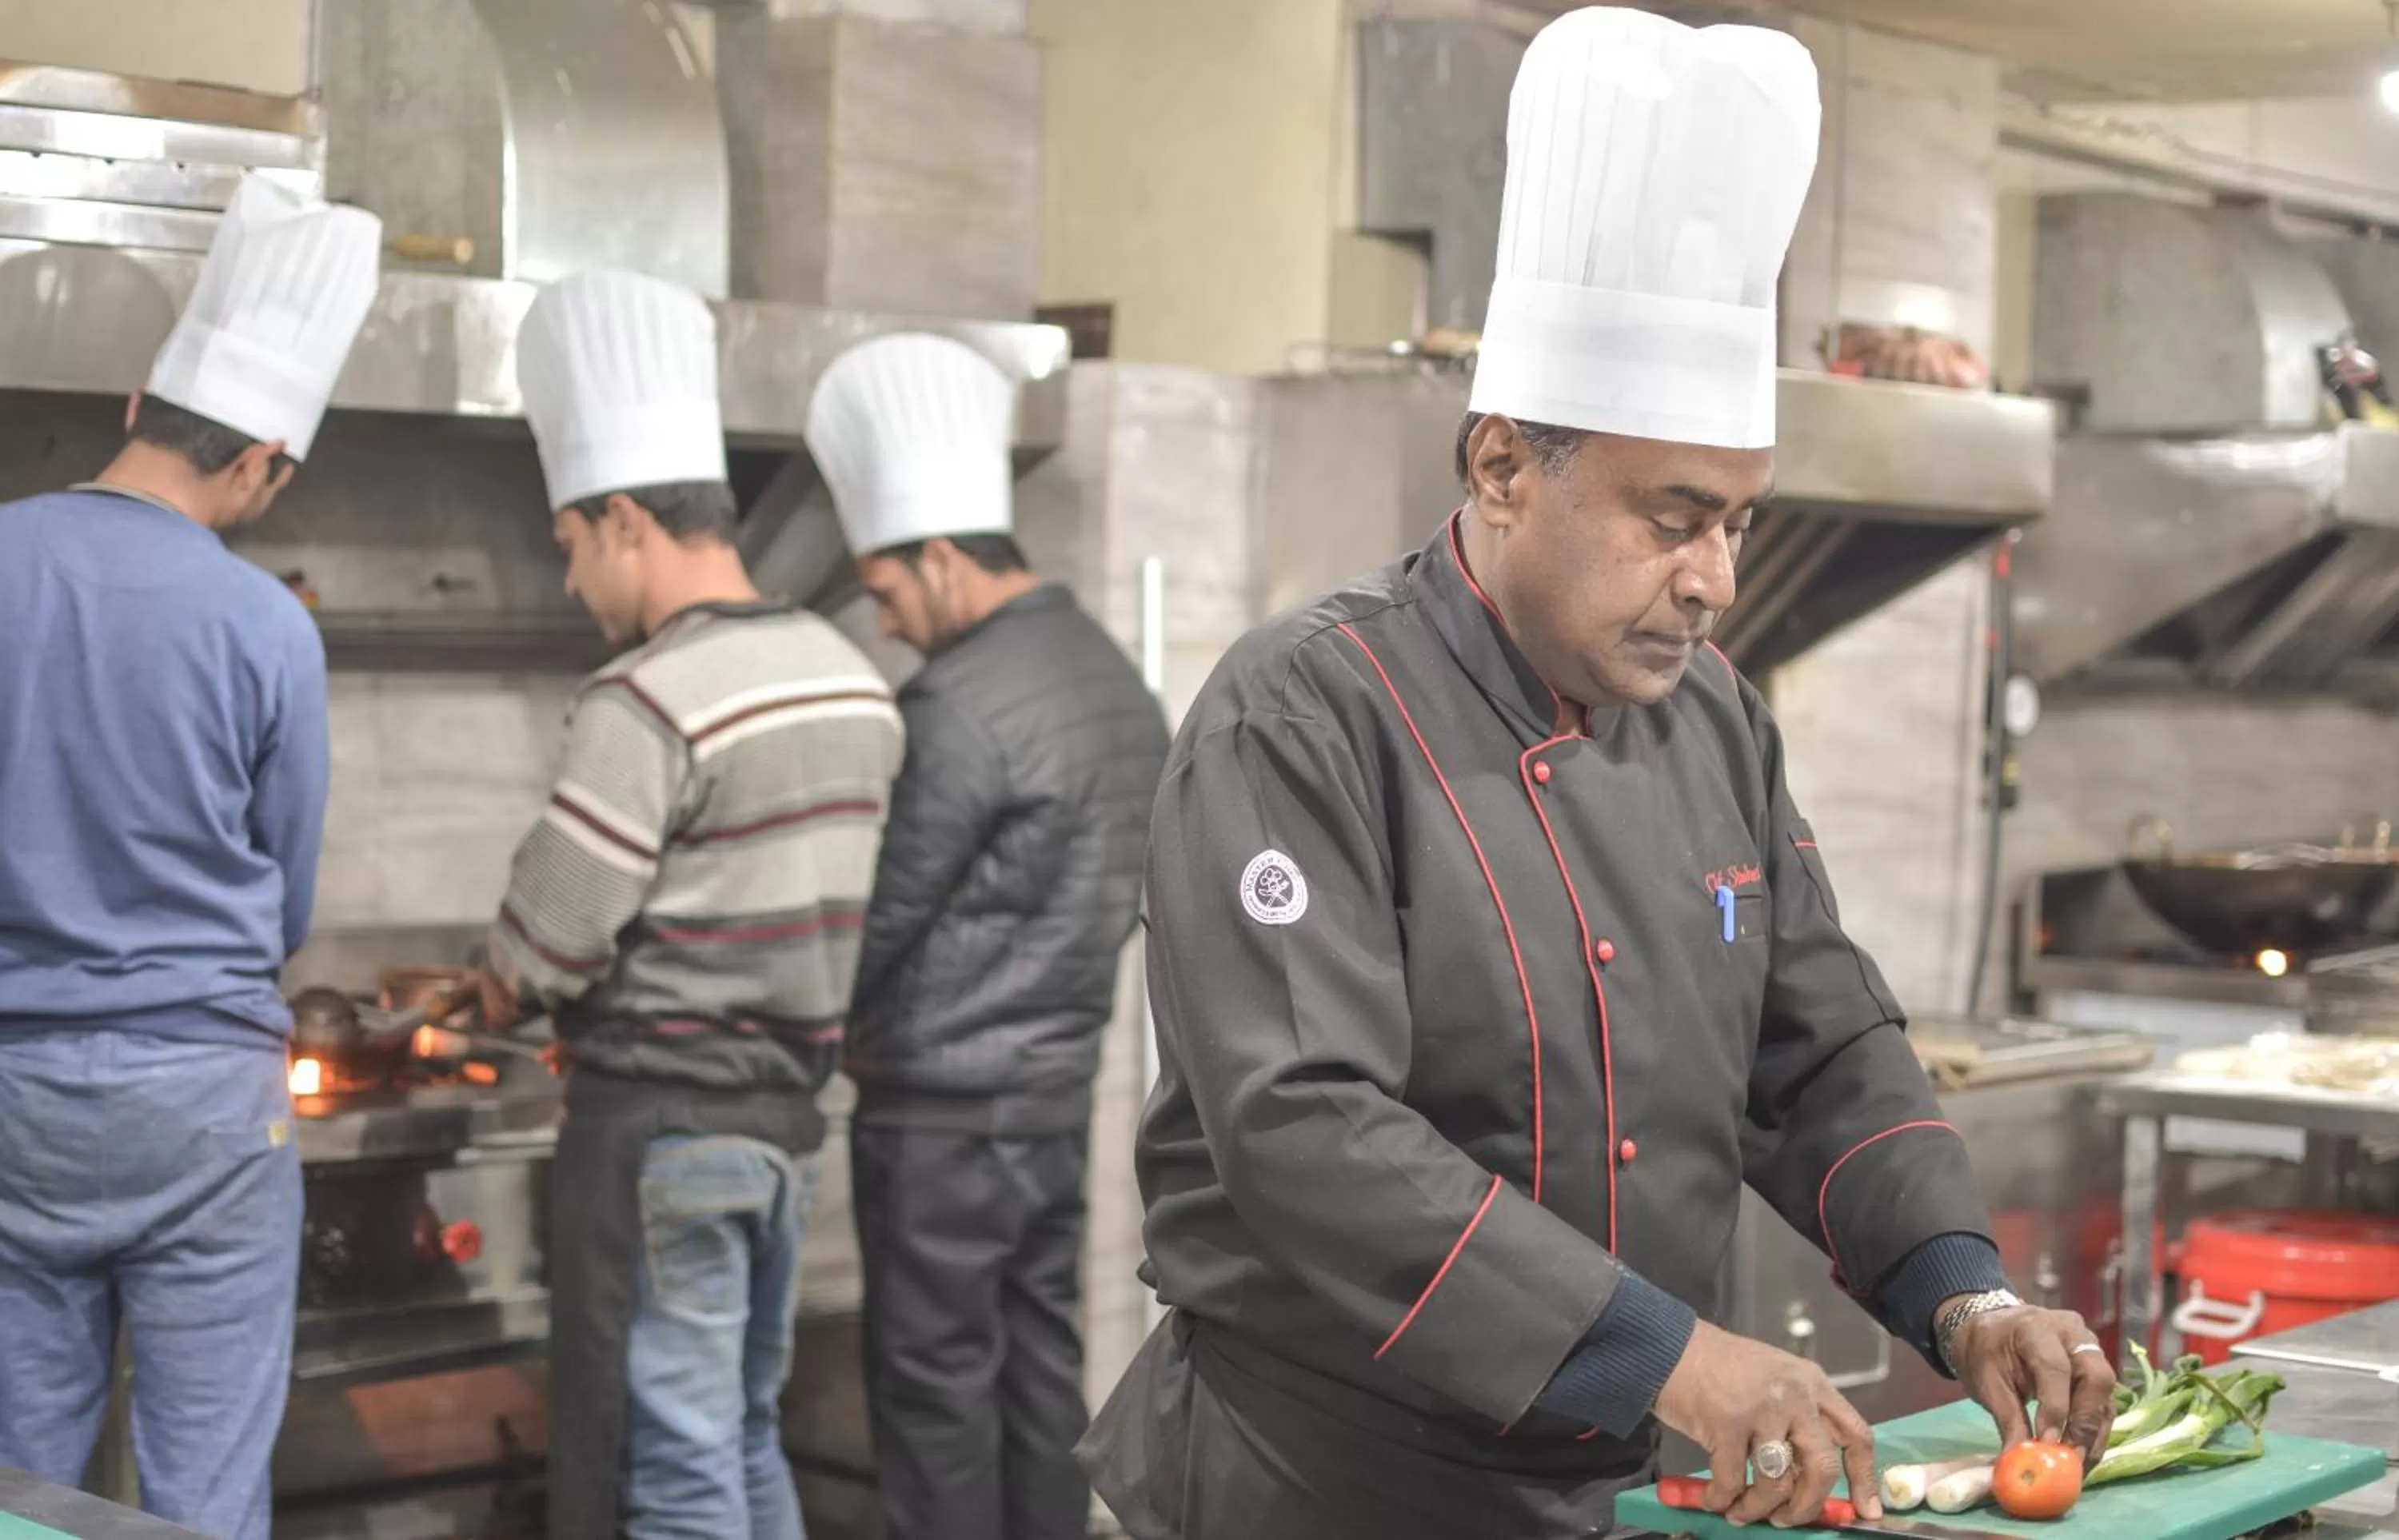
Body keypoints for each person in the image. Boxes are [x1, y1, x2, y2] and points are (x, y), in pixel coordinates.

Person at [1078, 12, 2118, 1540]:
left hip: (1615, 1488)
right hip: (1315, 1487)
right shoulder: (1304, 714)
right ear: (1503, 466)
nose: (1714, 581)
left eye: (1740, 525)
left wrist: (1965, 1294)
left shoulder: (1717, 724)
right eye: (1672, 518)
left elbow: (1817, 1050)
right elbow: (1306, 1127)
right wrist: (1676, 1357)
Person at [478, 269, 905, 1540]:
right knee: (741, 1435)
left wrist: (495, 980)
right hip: (783, 1128)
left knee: (668, 1470)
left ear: (623, 519)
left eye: (569, 545)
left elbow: (551, 938)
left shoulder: (647, 698)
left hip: (664, 1132)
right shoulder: (850, 678)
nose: (572, 582)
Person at [0, 174, 381, 1540]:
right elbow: (288, 889)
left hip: (15, 1092)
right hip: (209, 1104)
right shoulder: (268, 624)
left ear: (134, 408)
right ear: (263, 463)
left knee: (21, 1488)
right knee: (202, 1496)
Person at [804, 333, 1171, 1540]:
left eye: (888, 591)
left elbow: (880, 917)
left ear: (944, 558)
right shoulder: (1113, 679)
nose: (890, 622)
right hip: (1053, 1097)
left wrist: (809, 1023)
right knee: (1037, 1369)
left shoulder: (956, 705)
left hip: (939, 1117)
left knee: (934, 1392)